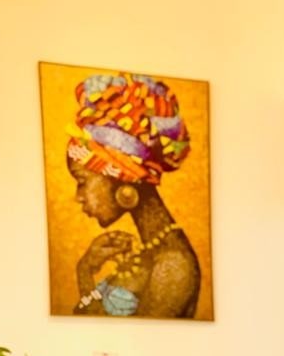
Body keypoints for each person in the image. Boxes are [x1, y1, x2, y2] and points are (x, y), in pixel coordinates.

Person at [67, 73, 201, 318]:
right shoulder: (147, 251)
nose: (79, 197)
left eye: (82, 182)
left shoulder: (173, 264)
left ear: (123, 180)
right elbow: (87, 315)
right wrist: (85, 270)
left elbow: (135, 338)